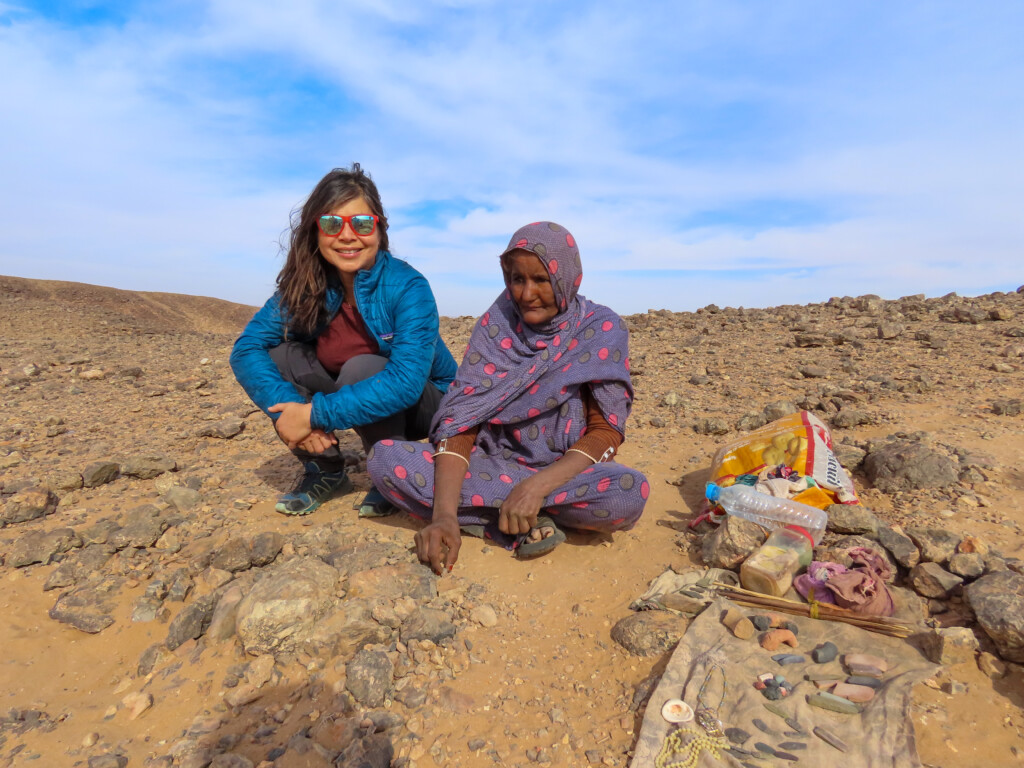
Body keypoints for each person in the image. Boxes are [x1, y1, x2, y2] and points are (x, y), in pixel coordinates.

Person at [367, 221, 649, 573]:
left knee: (628, 491)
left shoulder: (601, 329)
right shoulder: (496, 324)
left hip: (561, 474)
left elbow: (606, 430)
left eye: (541, 280)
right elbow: (462, 420)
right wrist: (441, 518)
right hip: (491, 465)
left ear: (566, 279)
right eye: (517, 279)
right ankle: (522, 519)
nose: (526, 294)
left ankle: (502, 513)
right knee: (383, 459)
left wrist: (537, 487)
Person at [230, 164, 456, 516]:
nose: (348, 236)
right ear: (315, 231)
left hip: (427, 404)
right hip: (354, 396)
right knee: (279, 355)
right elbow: (247, 349)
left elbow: (407, 383)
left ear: (379, 228)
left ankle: (393, 471)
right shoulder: (304, 287)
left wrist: (314, 414)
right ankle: (325, 470)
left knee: (362, 366)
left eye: (362, 223)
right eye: (332, 223)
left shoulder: (408, 286)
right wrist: (292, 412)